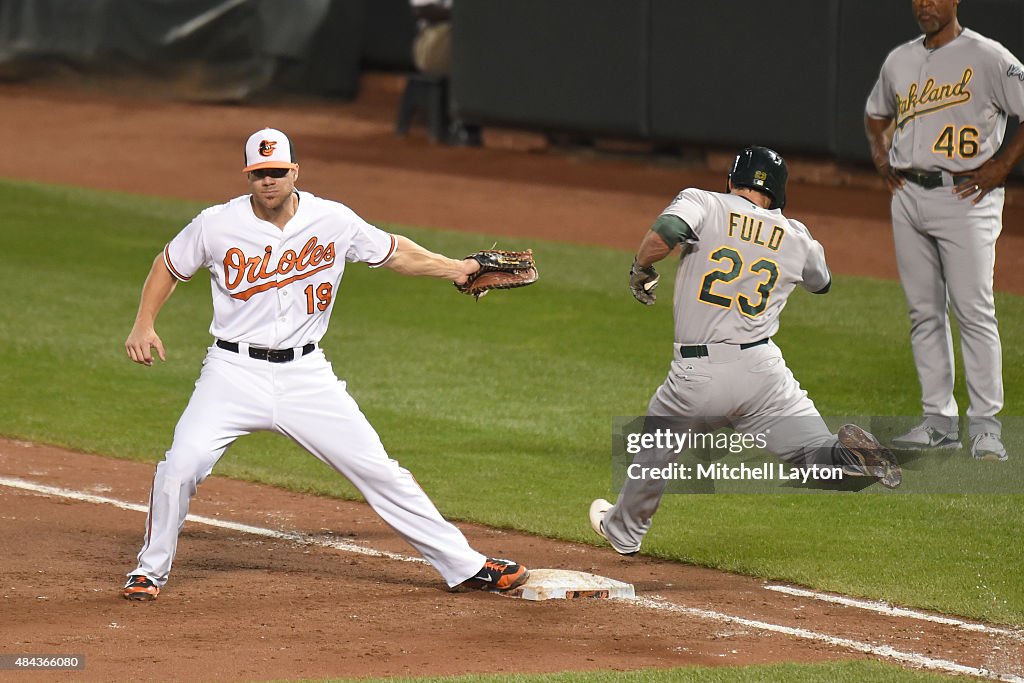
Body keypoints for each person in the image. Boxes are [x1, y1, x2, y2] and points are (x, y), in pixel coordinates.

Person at [120, 128, 528, 600]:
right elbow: (168, 266)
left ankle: (465, 566)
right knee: (180, 466)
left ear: (295, 171)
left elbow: (395, 252)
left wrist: (455, 268)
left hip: (305, 377)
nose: (268, 181)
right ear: (248, 176)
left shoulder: (332, 219)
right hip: (231, 373)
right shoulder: (216, 223)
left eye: (277, 172)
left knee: (379, 470)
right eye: (259, 174)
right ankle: (149, 571)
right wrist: (143, 324)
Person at [588, 146, 901, 556]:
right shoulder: (799, 236)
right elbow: (821, 282)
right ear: (779, 192)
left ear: (733, 181)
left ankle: (624, 531)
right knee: (814, 454)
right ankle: (848, 457)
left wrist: (641, 268)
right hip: (763, 374)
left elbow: (666, 231)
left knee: (656, 443)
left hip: (698, 376)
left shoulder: (704, 202)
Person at [864, 0, 1024, 461]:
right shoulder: (899, 59)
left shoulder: (989, 56)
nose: (924, 5)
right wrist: (880, 156)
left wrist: (1002, 166)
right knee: (924, 313)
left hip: (966, 198)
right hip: (909, 196)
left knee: (974, 311)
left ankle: (987, 428)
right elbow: (876, 114)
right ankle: (938, 423)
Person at [408, 0, 481, 146]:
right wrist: (464, 14)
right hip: (434, 42)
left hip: (468, 34)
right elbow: (422, 9)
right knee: (471, 42)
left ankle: (468, 123)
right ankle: (464, 126)